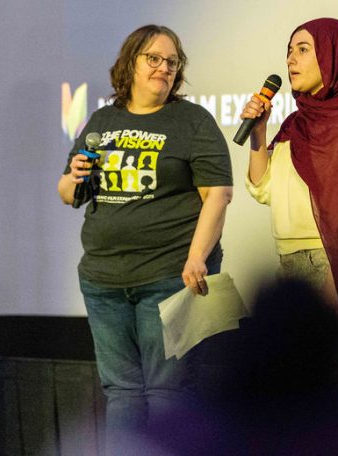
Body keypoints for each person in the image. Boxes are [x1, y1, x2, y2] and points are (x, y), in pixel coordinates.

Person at [58, 24, 233, 454]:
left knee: (168, 392)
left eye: (172, 62)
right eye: (153, 58)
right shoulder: (104, 120)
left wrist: (197, 256)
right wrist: (73, 176)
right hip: (103, 281)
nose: (164, 68)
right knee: (121, 392)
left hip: (169, 277)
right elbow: (66, 193)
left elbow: (218, 194)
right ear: (130, 63)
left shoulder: (192, 121)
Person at [241, 17, 338, 437]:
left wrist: (335, 287)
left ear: (334, 56)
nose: (291, 60)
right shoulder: (295, 125)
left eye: (303, 49)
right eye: (289, 50)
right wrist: (259, 133)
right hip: (291, 270)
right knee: (297, 413)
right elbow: (262, 187)